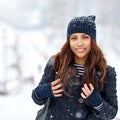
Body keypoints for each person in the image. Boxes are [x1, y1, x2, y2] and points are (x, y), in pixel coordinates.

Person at [32, 15, 118, 120]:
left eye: (85, 37)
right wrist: (45, 90)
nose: (79, 43)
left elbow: (111, 114)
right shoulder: (57, 63)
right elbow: (36, 98)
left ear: (92, 40)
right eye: (74, 38)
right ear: (69, 41)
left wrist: (97, 101)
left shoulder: (106, 72)